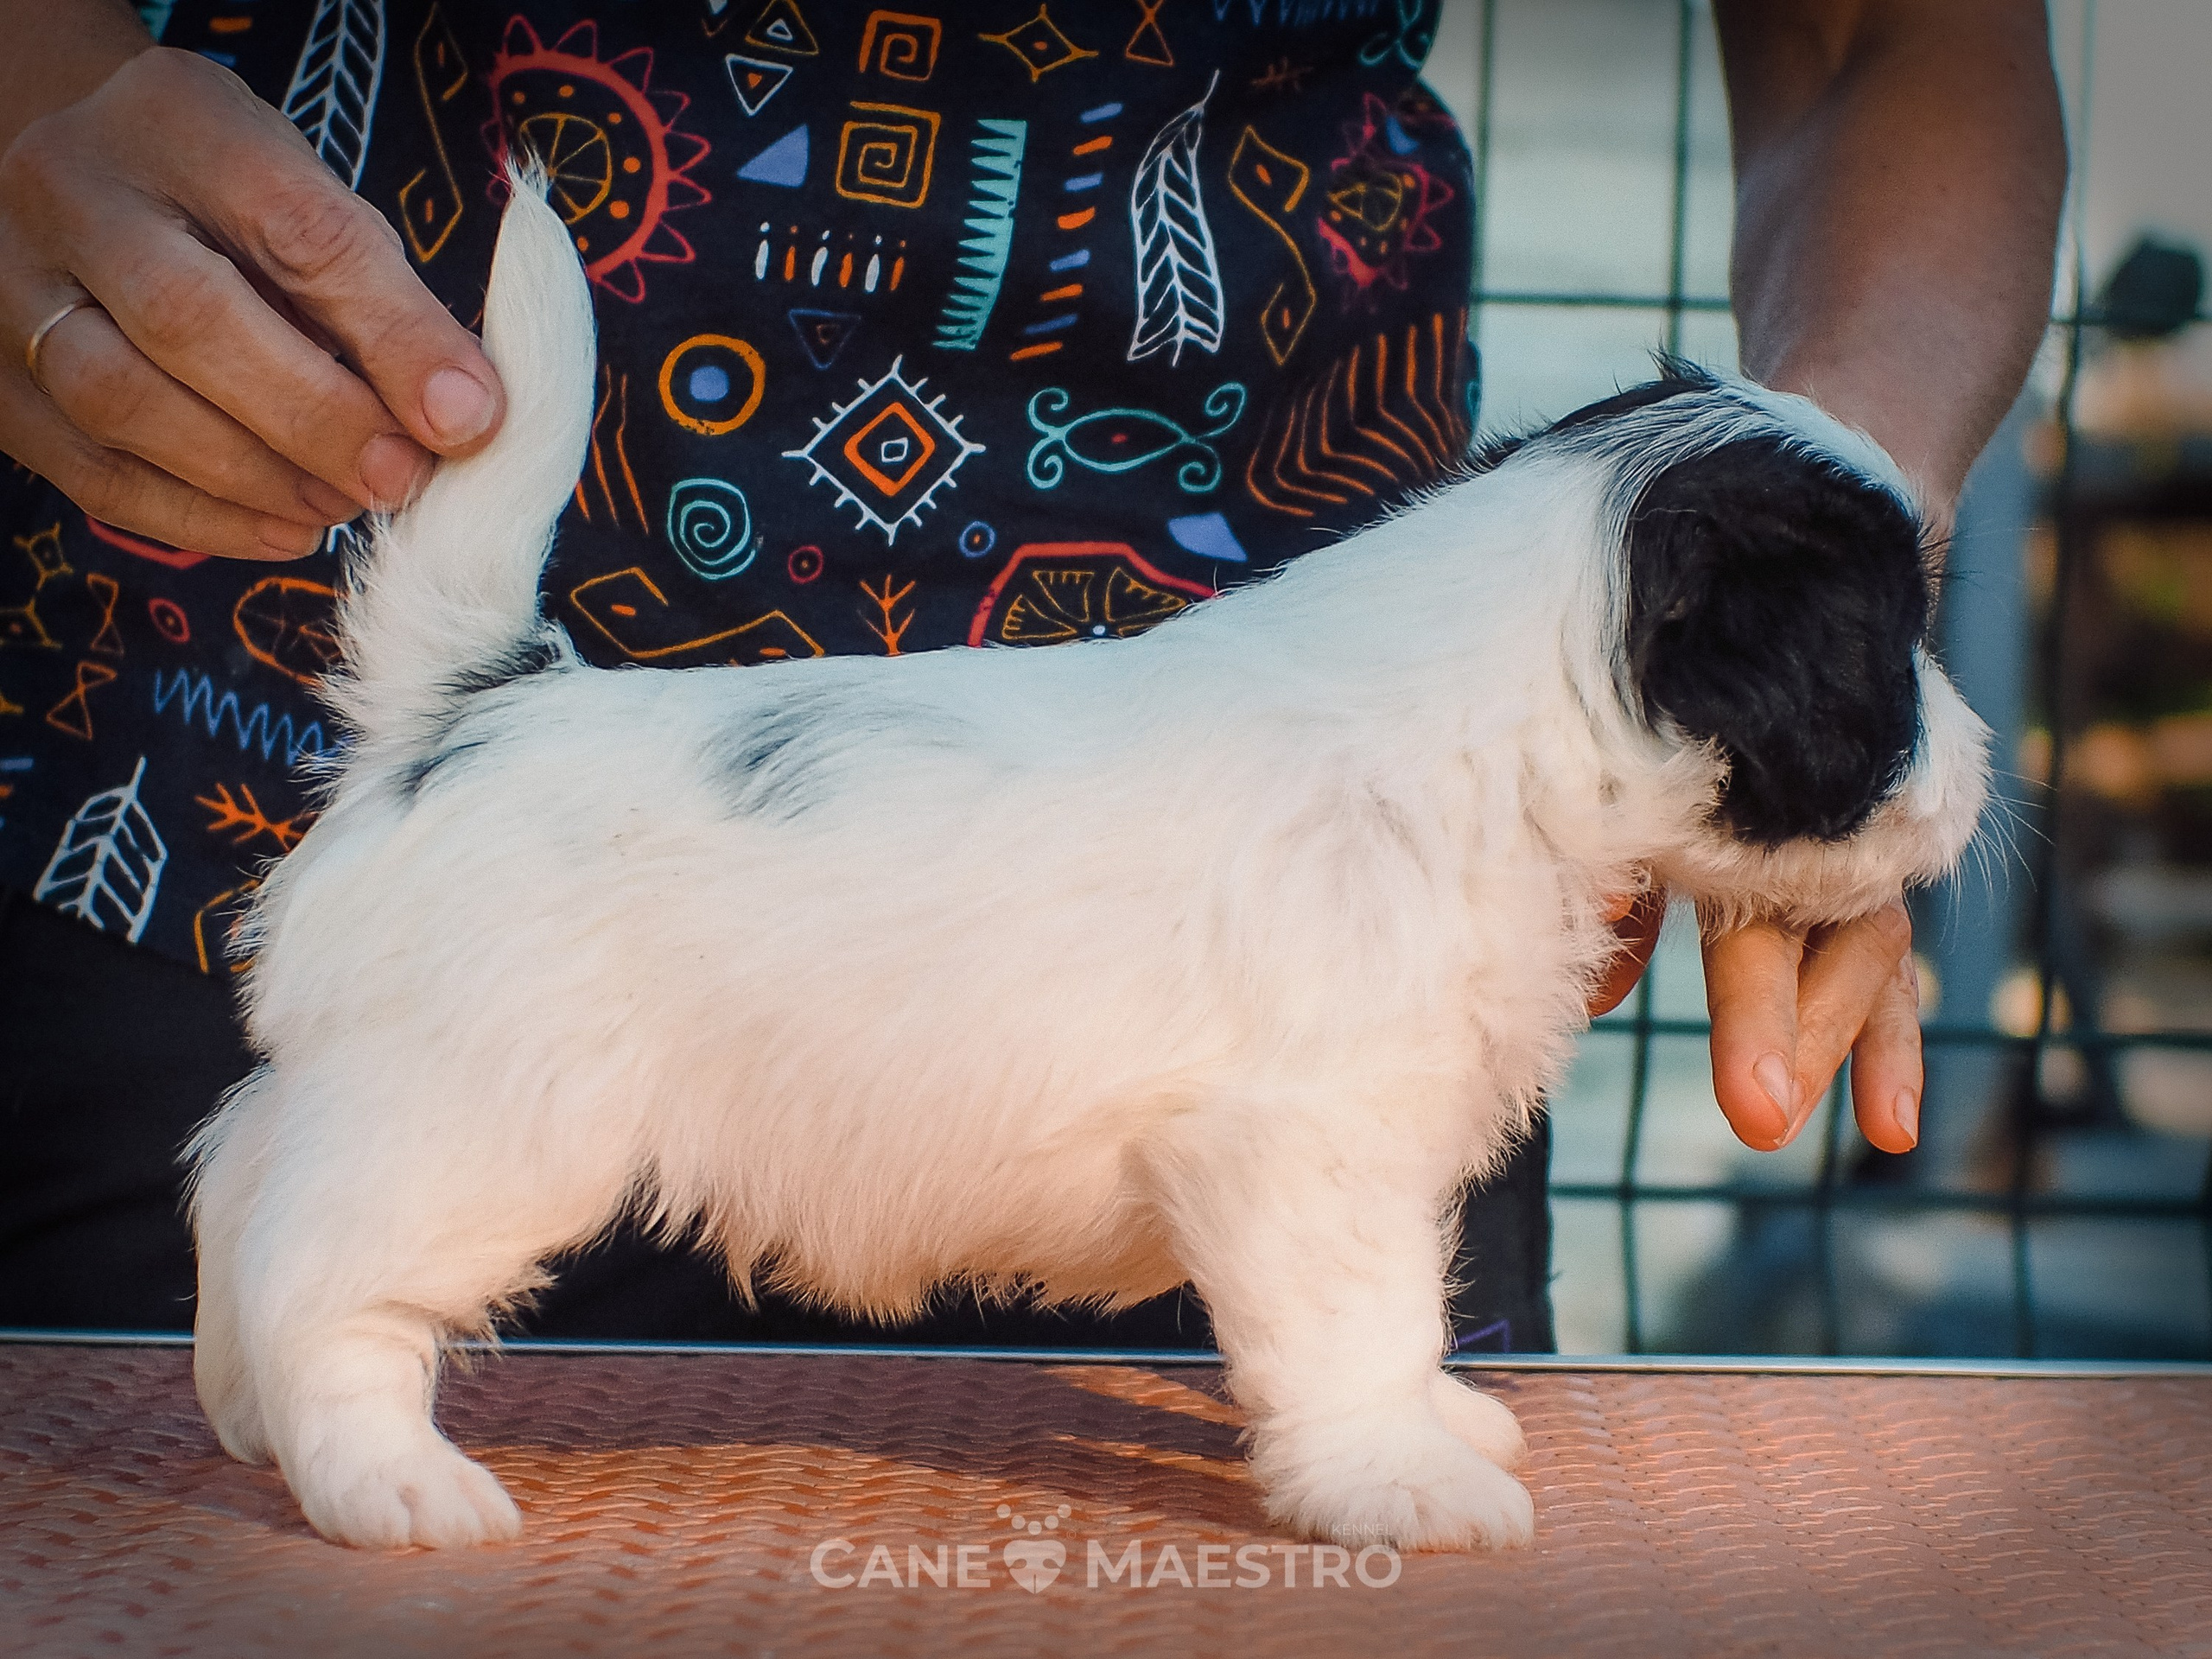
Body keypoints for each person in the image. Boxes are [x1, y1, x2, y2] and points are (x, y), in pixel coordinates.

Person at [0, 0, 2063, 1344]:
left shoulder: (1638, 657)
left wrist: (1819, 540)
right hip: (247, 707)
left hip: (1317, 884)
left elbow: (1891, 30)